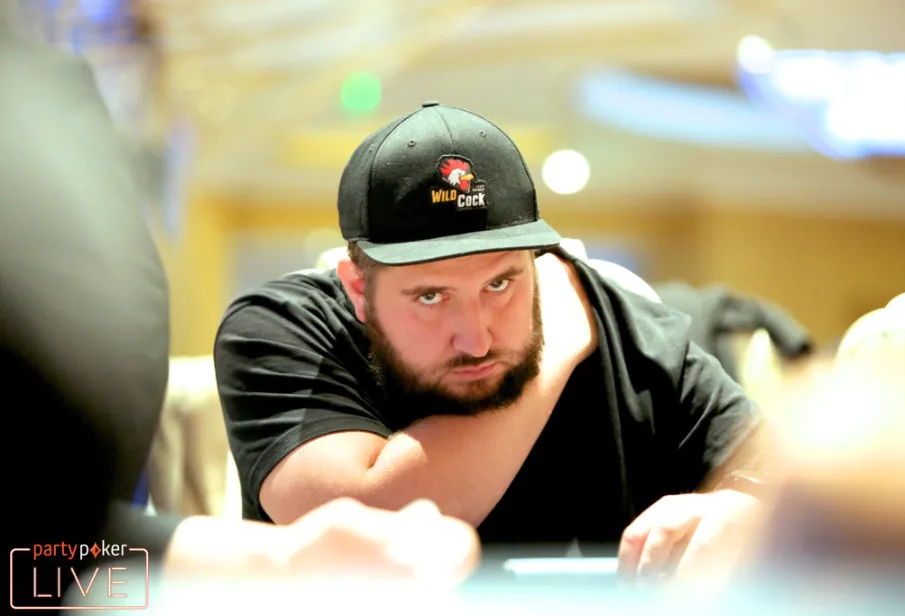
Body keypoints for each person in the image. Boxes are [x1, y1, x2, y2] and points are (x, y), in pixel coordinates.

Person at [1, 13, 477, 609]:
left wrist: (280, 560)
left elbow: (51, 551)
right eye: (430, 291)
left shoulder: (46, 94)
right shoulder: (275, 327)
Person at [214, 101, 770, 580]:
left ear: (537, 262)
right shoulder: (283, 327)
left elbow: (783, 479)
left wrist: (745, 511)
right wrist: (559, 340)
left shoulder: (627, 326)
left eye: (500, 284)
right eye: (430, 296)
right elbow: (360, 525)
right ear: (359, 288)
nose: (476, 339)